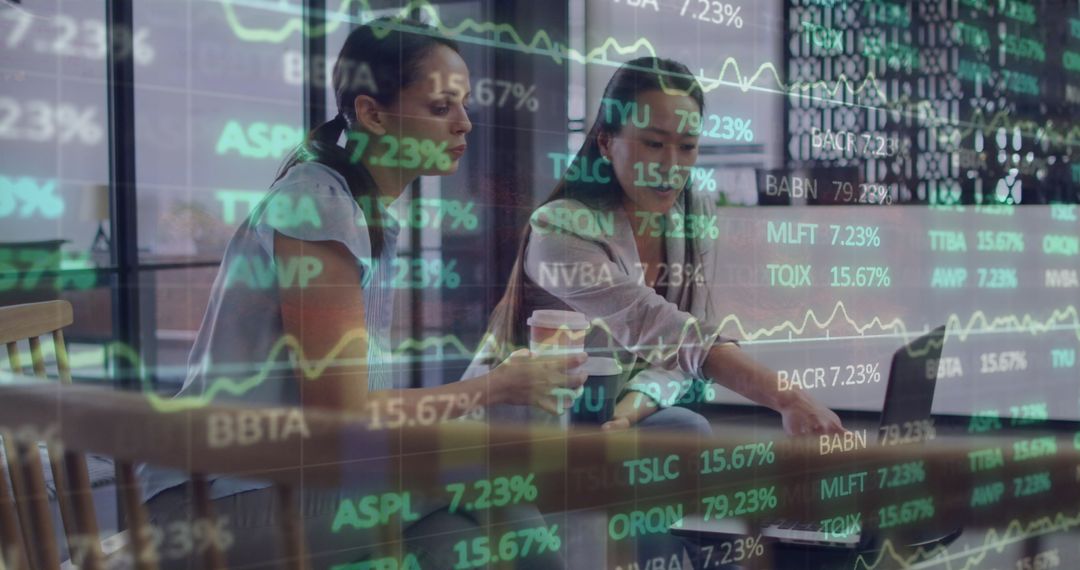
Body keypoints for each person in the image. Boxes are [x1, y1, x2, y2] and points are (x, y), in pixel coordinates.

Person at [139, 17, 583, 569]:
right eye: (441, 108)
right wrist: (496, 388)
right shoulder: (319, 205)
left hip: (289, 484)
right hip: (206, 508)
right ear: (373, 113)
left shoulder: (357, 209)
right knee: (486, 475)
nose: (465, 124)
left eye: (465, 105)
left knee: (449, 538)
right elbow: (344, 417)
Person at [464, 56, 845, 566]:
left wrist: (627, 413)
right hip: (515, 443)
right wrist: (789, 398)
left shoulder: (689, 216)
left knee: (684, 428)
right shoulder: (560, 229)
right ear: (606, 142)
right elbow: (661, 328)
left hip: (597, 426)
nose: (671, 165)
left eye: (686, 147)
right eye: (652, 142)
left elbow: (672, 361)